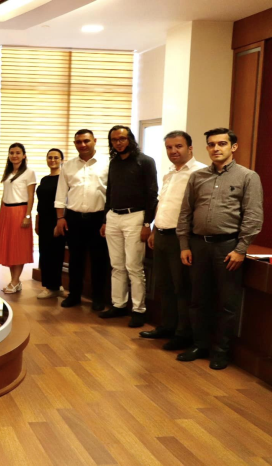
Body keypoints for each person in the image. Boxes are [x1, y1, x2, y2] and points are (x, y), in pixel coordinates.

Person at [176, 128, 263, 370]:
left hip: (228, 247)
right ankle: (199, 345)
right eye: (212, 144)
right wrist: (184, 245)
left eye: (222, 143)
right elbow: (185, 212)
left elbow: (253, 216)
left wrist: (241, 249)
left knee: (226, 303)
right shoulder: (197, 177)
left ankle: (221, 351)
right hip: (198, 246)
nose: (216, 148)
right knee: (198, 300)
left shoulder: (248, 177)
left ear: (233, 147)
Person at [140, 131, 206, 349]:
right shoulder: (169, 172)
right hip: (161, 235)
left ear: (190, 148)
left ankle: (182, 333)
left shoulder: (200, 172)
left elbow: (198, 209)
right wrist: (154, 230)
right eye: (169, 147)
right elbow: (163, 203)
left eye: (178, 146)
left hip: (181, 238)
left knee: (181, 288)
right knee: (164, 285)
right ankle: (166, 327)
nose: (173, 151)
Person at [98, 126, 158, 328]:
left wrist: (147, 223)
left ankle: (139, 310)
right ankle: (119, 305)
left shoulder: (145, 161)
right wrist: (105, 219)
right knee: (117, 265)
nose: (118, 142)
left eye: (122, 138)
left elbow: (152, 193)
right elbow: (110, 192)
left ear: (130, 139)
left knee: (134, 266)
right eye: (114, 140)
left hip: (136, 217)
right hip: (113, 216)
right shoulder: (114, 162)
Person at [54, 129, 109, 310]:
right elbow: (61, 193)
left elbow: (112, 193)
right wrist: (60, 217)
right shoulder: (68, 166)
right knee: (75, 259)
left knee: (99, 260)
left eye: (86, 141)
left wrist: (107, 220)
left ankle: (98, 298)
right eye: (78, 142)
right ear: (75, 144)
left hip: (99, 218)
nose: (83, 145)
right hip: (74, 218)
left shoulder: (107, 163)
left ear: (95, 141)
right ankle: (74, 295)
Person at [0, 143, 36, 293]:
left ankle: (15, 281)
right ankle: (15, 281)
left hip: (20, 211)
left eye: (18, 153)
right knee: (10, 247)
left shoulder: (29, 173)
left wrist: (27, 215)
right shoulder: (8, 173)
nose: (14, 155)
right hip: (7, 212)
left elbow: (31, 196)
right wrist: (1, 212)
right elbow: (5, 194)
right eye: (11, 153)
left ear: (24, 155)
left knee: (19, 247)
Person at [35, 148, 67, 299]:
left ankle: (53, 287)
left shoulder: (64, 179)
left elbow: (65, 202)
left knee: (56, 254)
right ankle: (51, 285)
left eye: (56, 157)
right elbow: (40, 203)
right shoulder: (44, 179)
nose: (52, 160)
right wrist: (37, 221)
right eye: (50, 157)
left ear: (62, 160)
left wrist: (59, 221)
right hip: (44, 220)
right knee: (44, 253)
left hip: (57, 220)